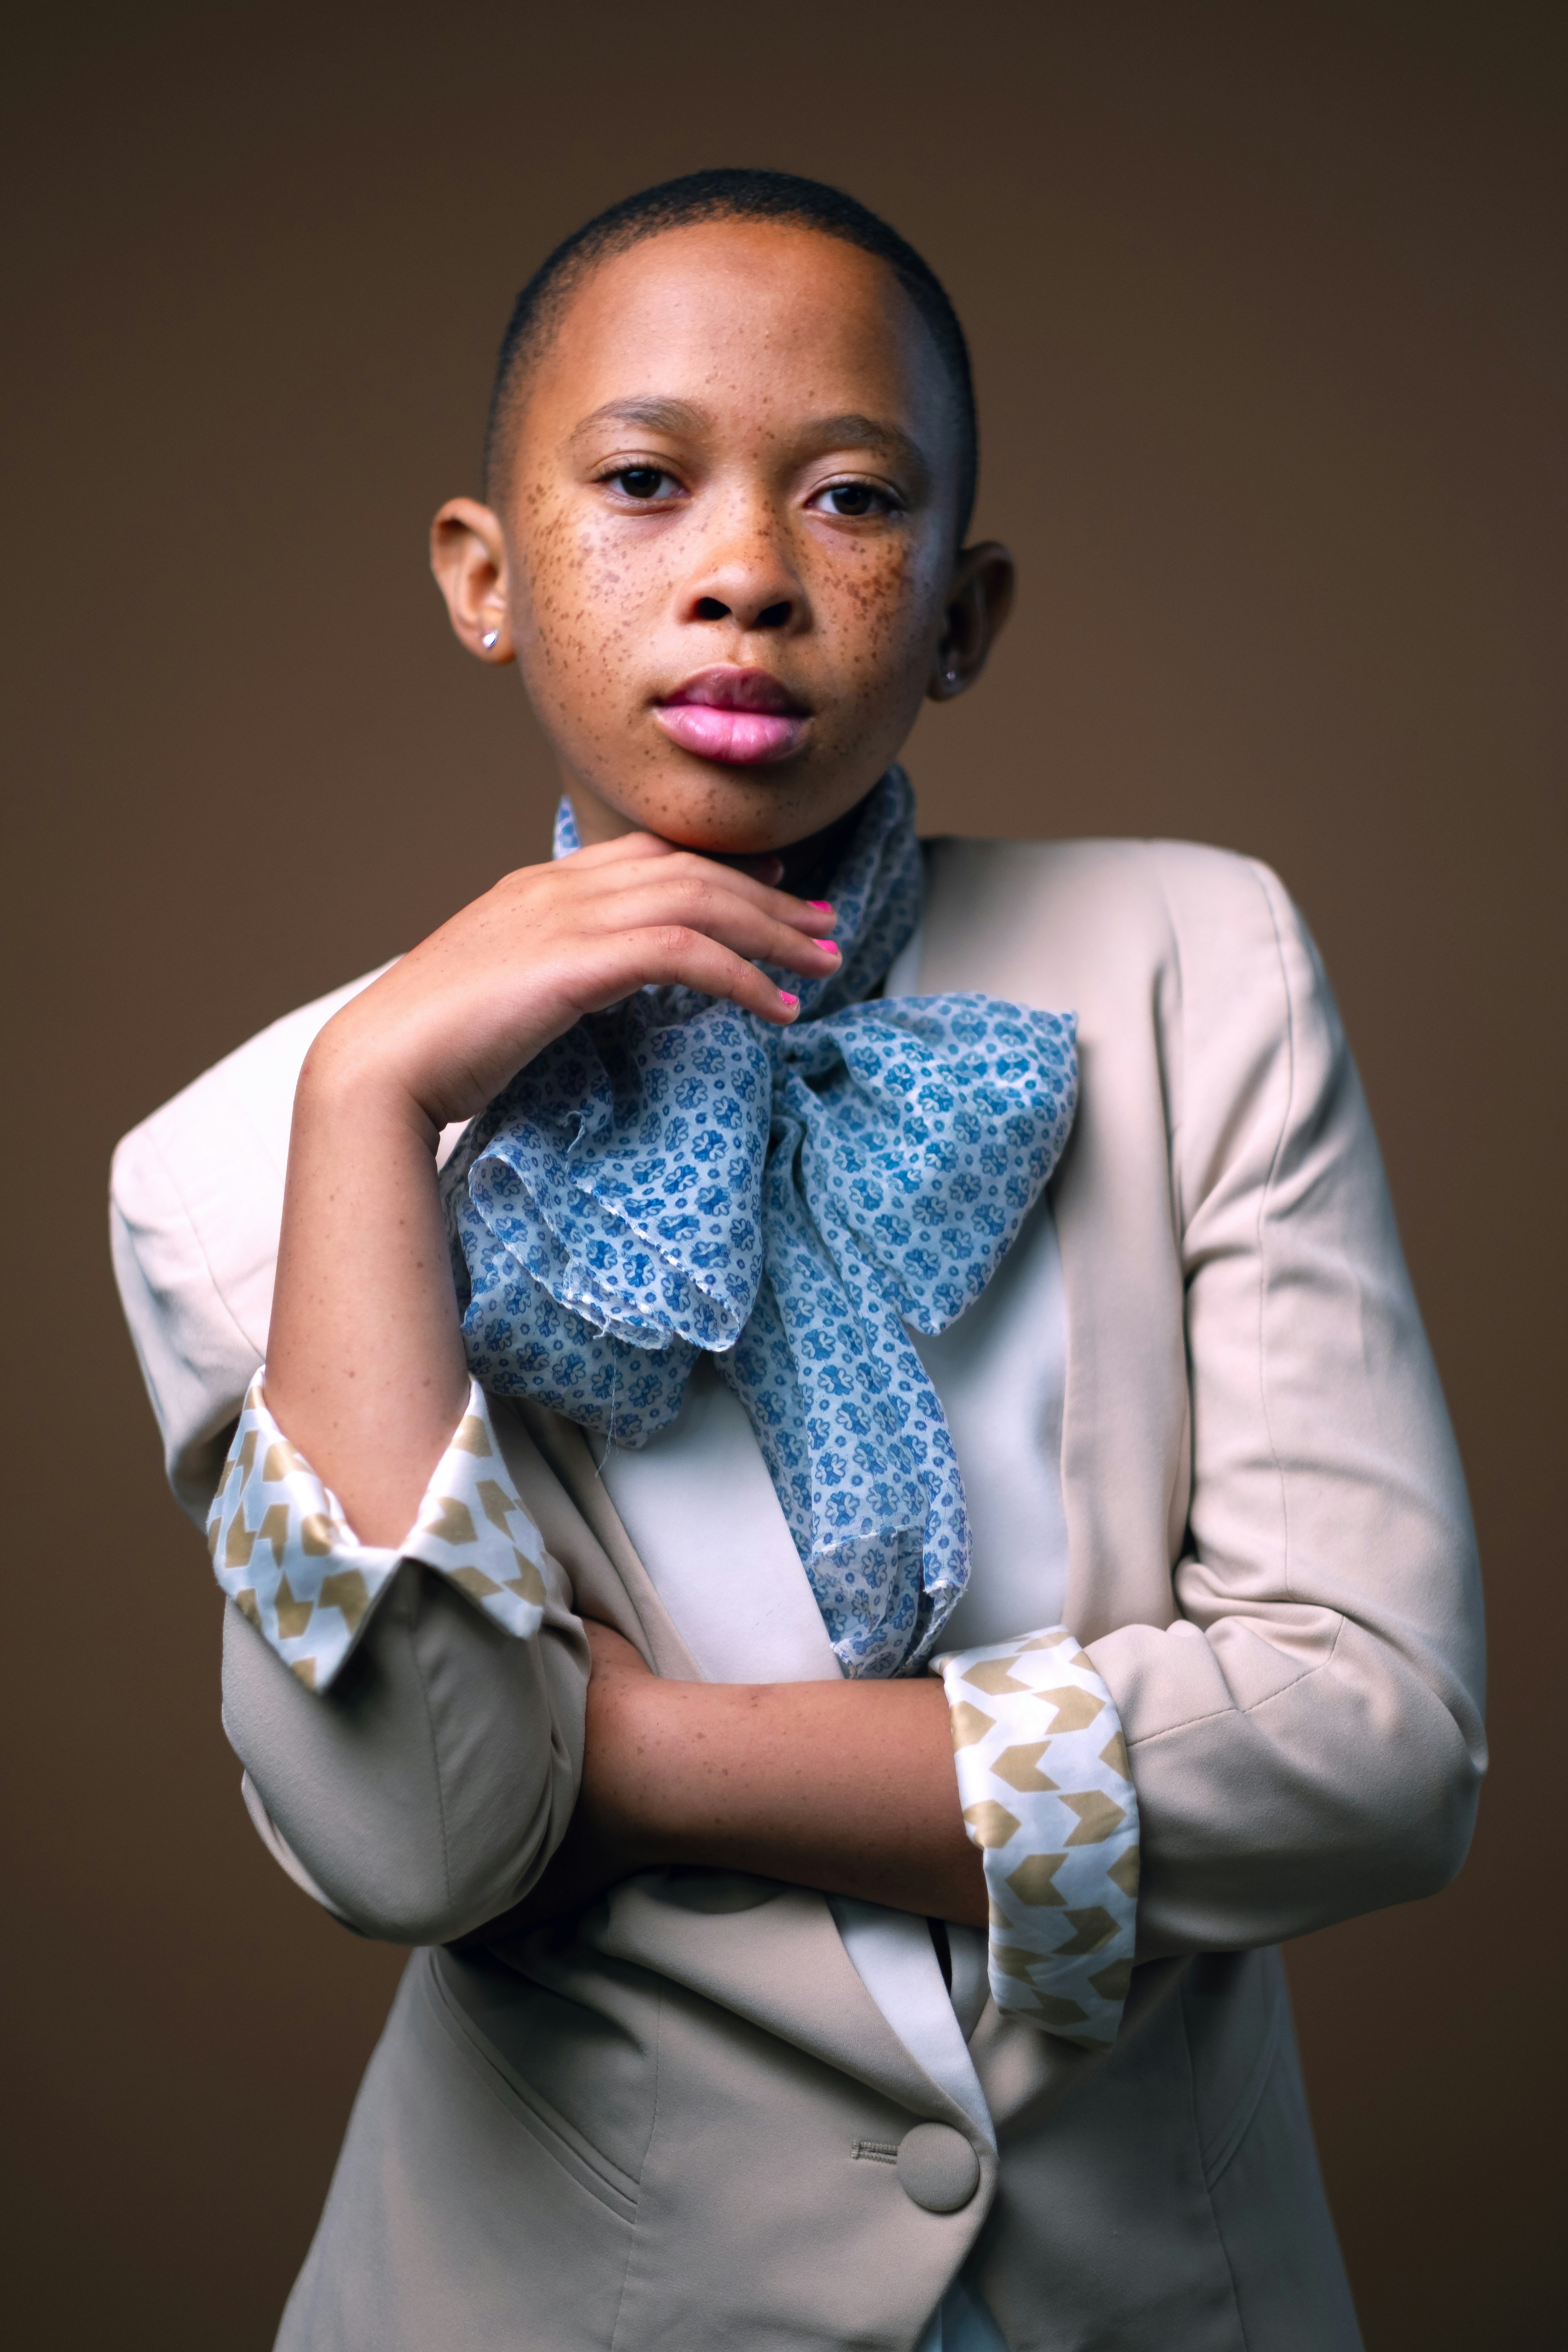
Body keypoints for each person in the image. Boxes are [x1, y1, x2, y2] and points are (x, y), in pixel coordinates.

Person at [110, 170, 1484, 2352]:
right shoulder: (234, 1163)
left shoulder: (1200, 961)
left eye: (850, 500)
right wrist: (372, 1104)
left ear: (962, 609)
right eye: (643, 483)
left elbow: (1380, 1747)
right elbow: (416, 1840)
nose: (746, 576)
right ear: (483, 575)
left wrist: (630, 1754)